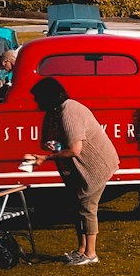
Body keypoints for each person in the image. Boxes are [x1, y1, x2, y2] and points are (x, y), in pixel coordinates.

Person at [31, 75, 118, 264]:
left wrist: (46, 158)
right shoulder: (55, 112)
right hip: (78, 169)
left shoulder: (69, 112)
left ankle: (91, 254)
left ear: (48, 97)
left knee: (87, 207)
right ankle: (81, 250)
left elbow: (74, 150)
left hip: (94, 167)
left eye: (38, 98)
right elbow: (51, 140)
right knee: (77, 206)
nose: (36, 102)